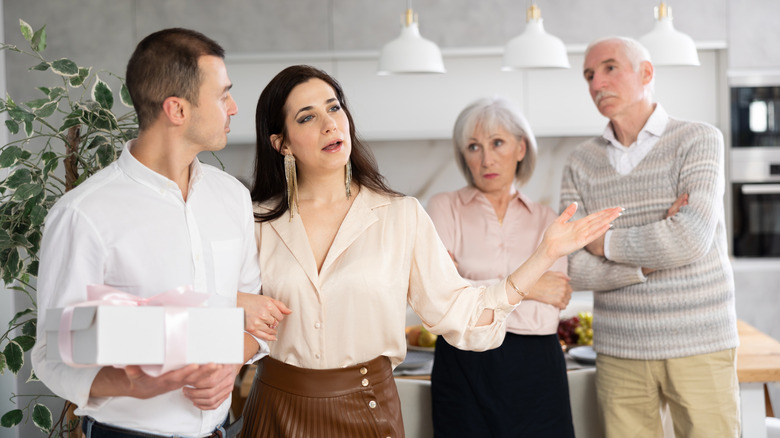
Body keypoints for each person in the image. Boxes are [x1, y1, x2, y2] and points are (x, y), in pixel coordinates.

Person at [238, 64, 621, 438]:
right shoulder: (253, 221)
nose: (329, 123)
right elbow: (224, 313)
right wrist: (236, 306)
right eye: (307, 117)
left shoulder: (400, 215)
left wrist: (544, 253)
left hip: (366, 409)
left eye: (334, 107)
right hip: (275, 410)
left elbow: (462, 313)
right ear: (281, 143)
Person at [31, 28, 289, 438]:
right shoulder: (83, 214)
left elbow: (255, 320)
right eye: (223, 95)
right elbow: (53, 352)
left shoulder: (231, 198)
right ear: (177, 110)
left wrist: (230, 362)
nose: (234, 107)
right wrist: (131, 383)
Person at [560, 36, 739, 437]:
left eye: (608, 68)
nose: (595, 83)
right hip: (619, 350)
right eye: (588, 74)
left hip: (699, 341)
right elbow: (573, 266)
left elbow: (691, 237)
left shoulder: (698, 139)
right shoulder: (579, 163)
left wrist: (603, 243)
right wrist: (646, 260)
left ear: (646, 73)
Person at [427, 97, 575, 437]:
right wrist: (530, 287)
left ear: (521, 148)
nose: (486, 159)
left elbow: (552, 305)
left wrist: (471, 289)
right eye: (474, 147)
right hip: (463, 365)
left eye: (497, 143)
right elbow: (441, 298)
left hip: (537, 367)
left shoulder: (547, 220)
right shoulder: (443, 208)